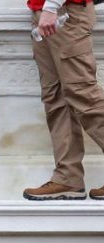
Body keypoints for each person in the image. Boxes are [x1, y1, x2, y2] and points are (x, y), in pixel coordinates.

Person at [22, 0, 104, 200]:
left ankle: (69, 176)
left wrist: (51, 6)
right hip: (44, 13)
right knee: (56, 99)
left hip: (64, 12)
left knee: (83, 94)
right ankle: (68, 177)